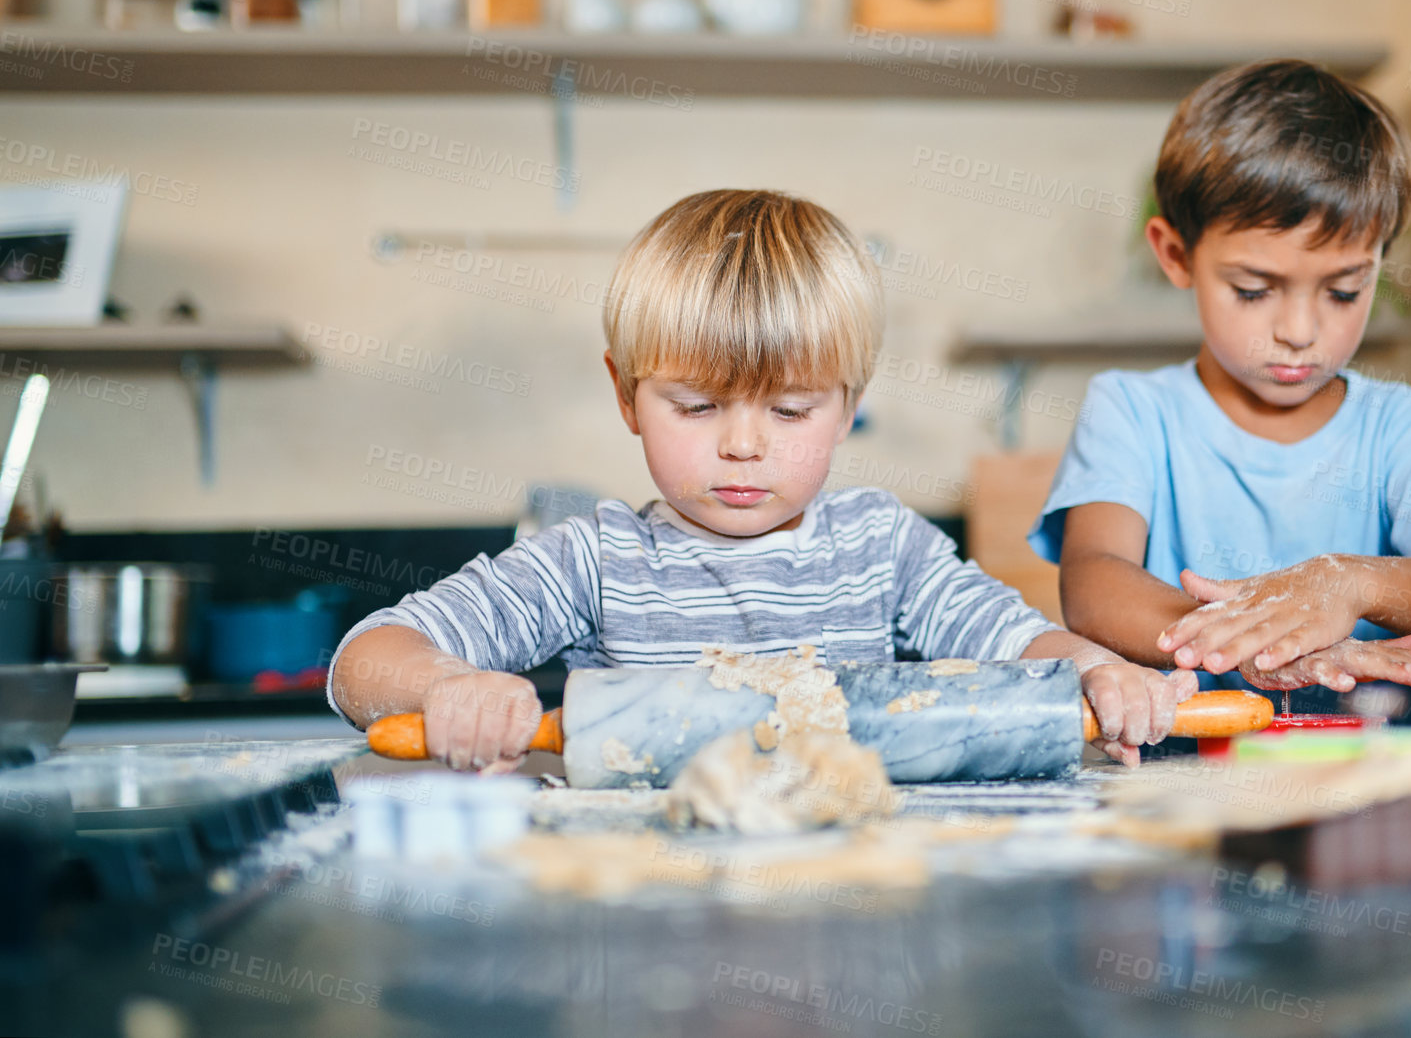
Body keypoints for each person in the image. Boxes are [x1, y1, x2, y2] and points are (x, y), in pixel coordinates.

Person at [328, 189, 1196, 770]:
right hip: (648, 906)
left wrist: (1094, 670)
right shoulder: (595, 561)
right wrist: (450, 687)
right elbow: (364, 662)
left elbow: (1016, 641)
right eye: (698, 407)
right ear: (627, 395)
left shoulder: (881, 548)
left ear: (849, 403)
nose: (744, 446)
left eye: (790, 412)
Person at [1033, 59, 1411, 721]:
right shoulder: (1133, 412)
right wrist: (1260, 642)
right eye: (1254, 290)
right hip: (1184, 790)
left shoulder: (1403, 426)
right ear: (1175, 255)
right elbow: (1092, 583)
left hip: (1372, 794)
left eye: (1345, 290)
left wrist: (1346, 583)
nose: (1299, 330)